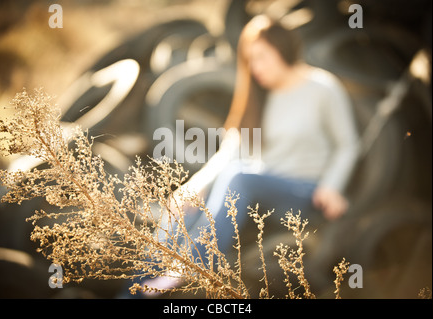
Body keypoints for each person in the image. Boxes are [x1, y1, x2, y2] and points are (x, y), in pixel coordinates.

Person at [143, 14, 360, 293]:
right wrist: (192, 189)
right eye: (249, 60)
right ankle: (140, 282)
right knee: (184, 205)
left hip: (304, 192)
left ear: (282, 49)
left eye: (260, 57)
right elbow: (230, 152)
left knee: (239, 177)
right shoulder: (259, 95)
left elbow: (348, 144)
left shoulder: (322, 88)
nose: (254, 67)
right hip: (260, 190)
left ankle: (188, 268)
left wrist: (333, 186)